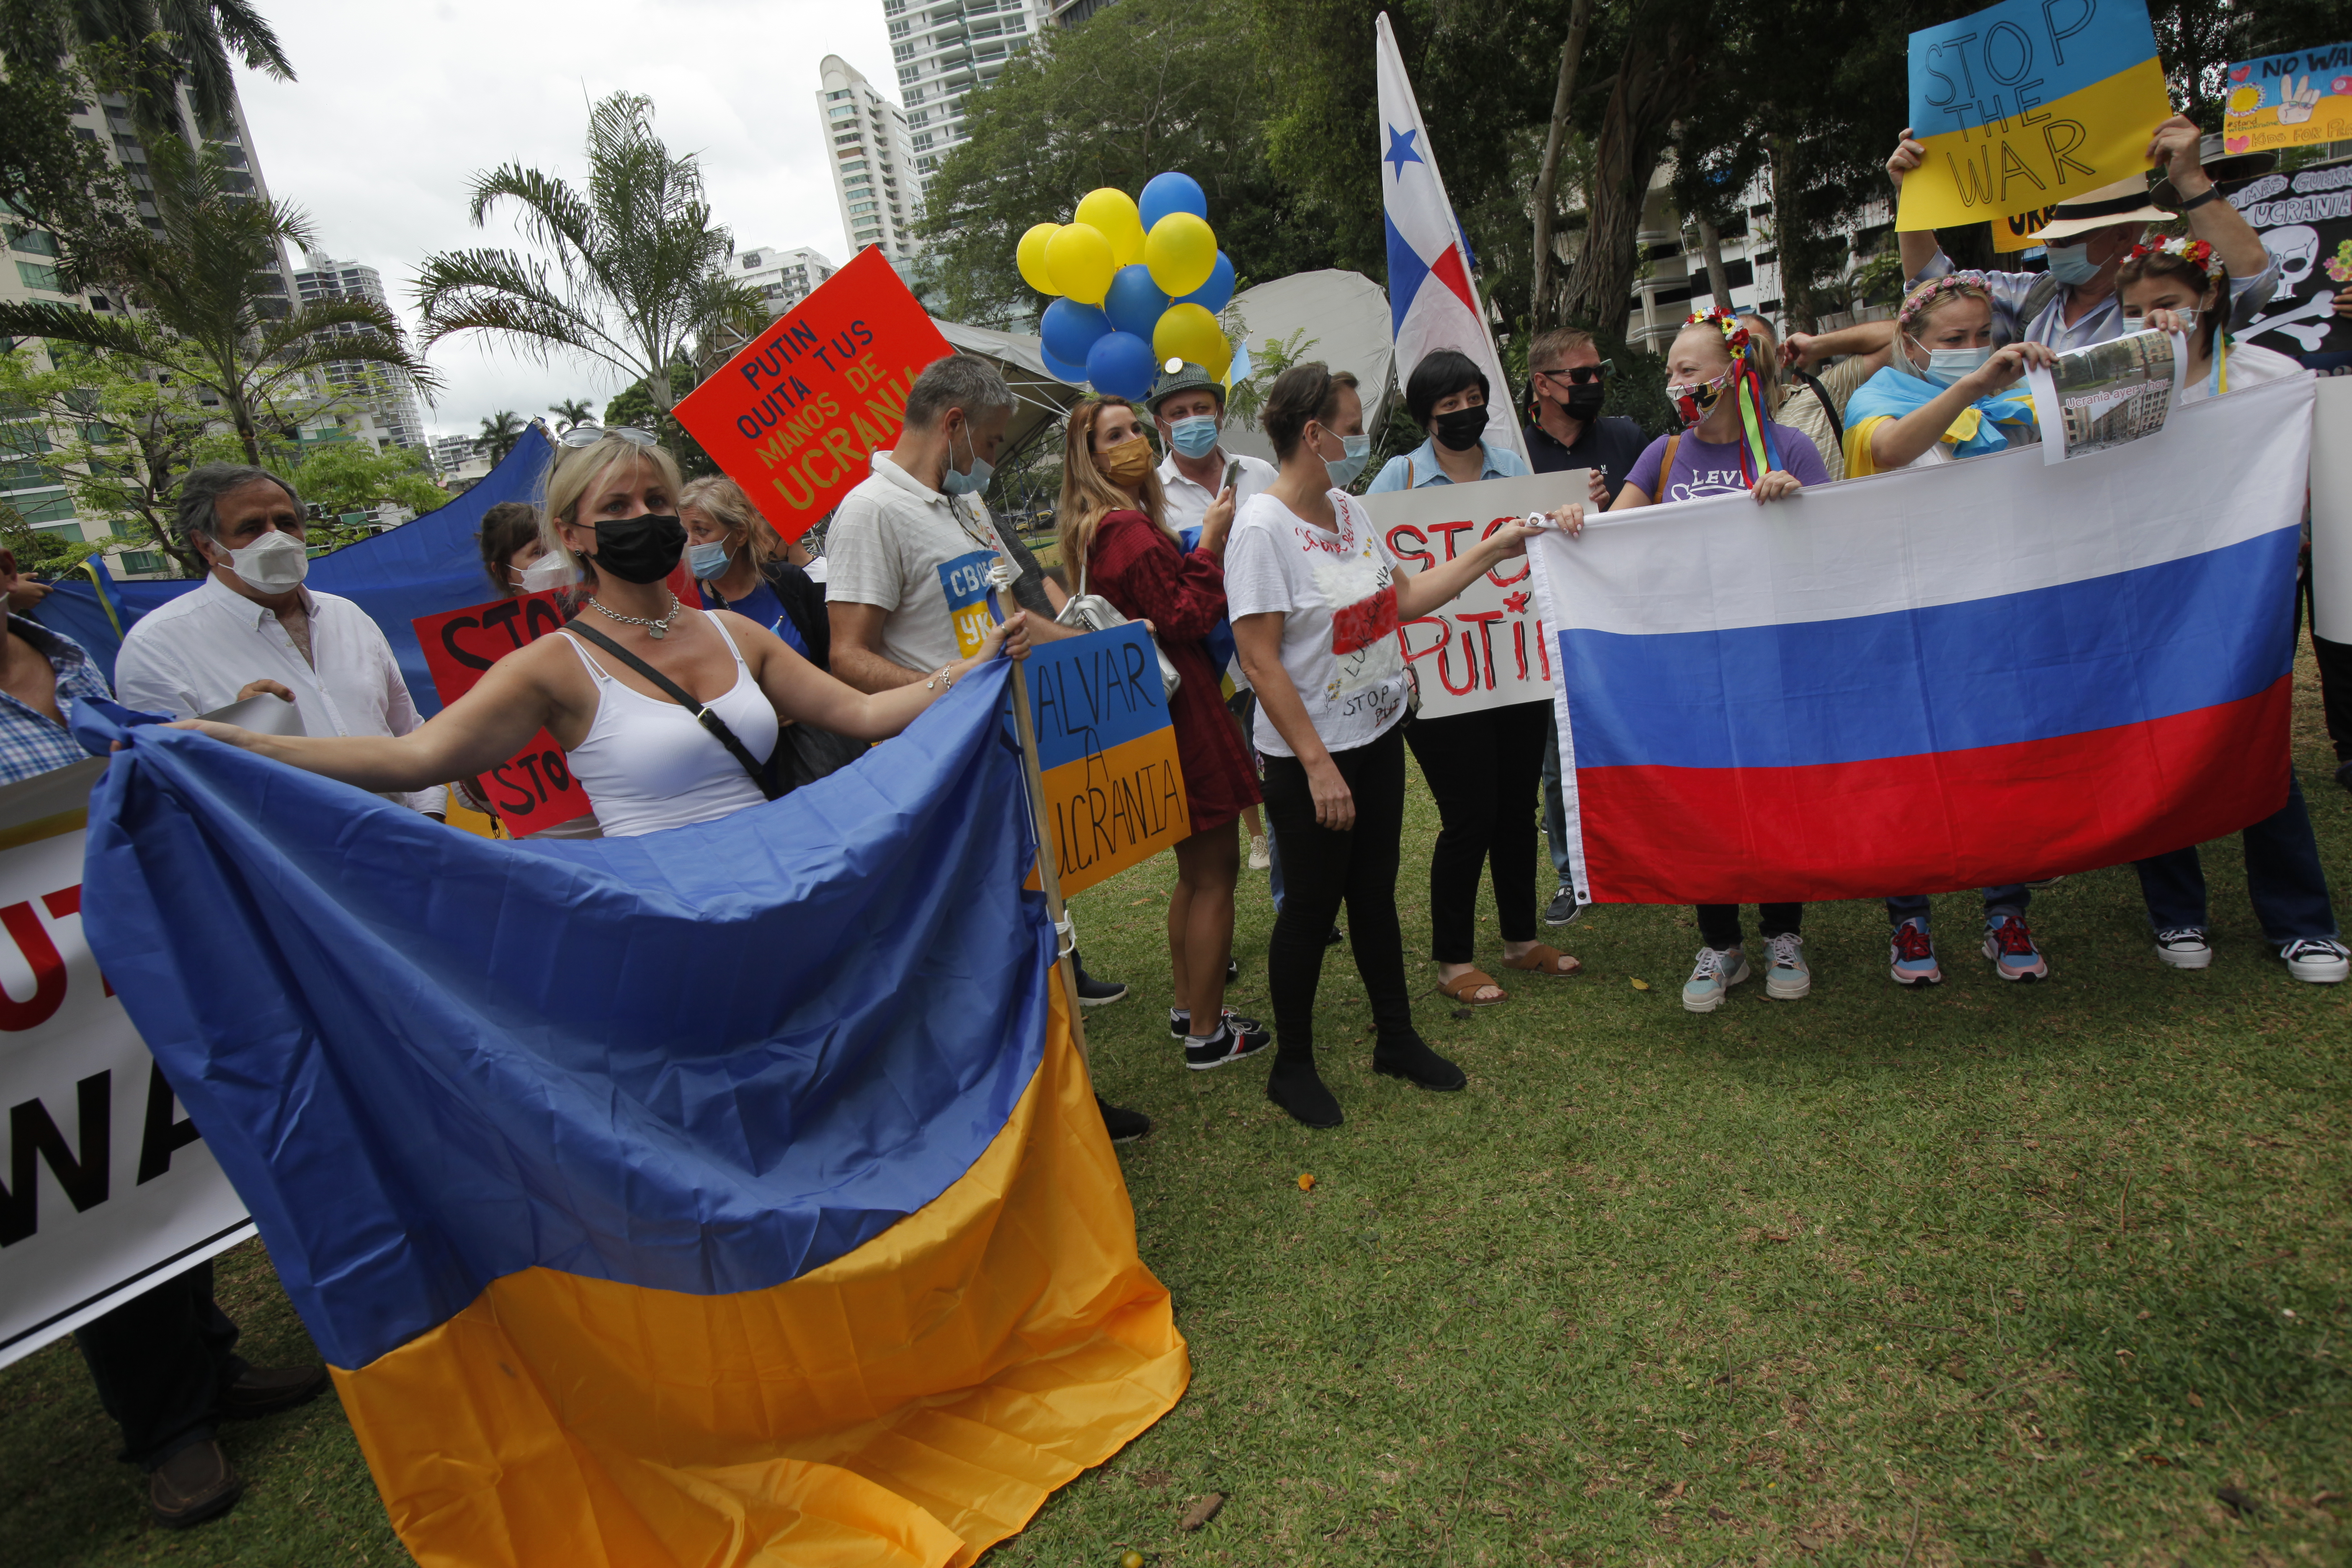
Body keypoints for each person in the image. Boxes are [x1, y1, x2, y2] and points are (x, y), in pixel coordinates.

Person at [0, 547, 330, 1528]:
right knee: (96, 1188)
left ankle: (211, 1357)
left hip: (136, 956)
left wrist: (236, 718)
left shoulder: (65, 657)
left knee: (171, 1159)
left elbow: (130, 758)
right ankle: (166, 1425)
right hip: (38, 997)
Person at [1225, 362, 1556, 1128]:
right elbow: (1259, 659)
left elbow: (1400, 598)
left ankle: (1397, 1038)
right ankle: (1293, 1064)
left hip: (1377, 732)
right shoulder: (1261, 528)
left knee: (1373, 894)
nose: (1362, 438)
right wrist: (1316, 765)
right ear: (1313, 434)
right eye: (1351, 425)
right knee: (1310, 906)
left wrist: (1493, 549)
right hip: (1312, 758)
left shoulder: (1347, 508)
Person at [822, 355, 1135, 1026]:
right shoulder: (870, 512)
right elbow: (847, 656)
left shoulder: (965, 503)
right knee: (986, 928)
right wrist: (953, 688)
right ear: (954, 424)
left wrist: (1108, 647)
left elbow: (1006, 620)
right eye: (991, 442)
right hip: (944, 761)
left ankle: (1061, 1078)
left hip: (1008, 746)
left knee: (1032, 906)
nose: (993, 457)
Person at [1555, 310, 1829, 1012]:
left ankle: (1782, 932)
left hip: (1772, 666)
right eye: (1670, 369)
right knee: (1704, 797)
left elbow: (1837, 554)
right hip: (1686, 669)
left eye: (1686, 369)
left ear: (1732, 372)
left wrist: (1800, 506)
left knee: (1773, 794)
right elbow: (1614, 540)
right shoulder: (1664, 453)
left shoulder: (1792, 450)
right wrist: (1574, 524)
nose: (1673, 381)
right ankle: (1721, 942)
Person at [2114, 237, 2347, 984]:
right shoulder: (2112, 376)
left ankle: (2302, 921)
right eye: (2133, 312)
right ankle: (2176, 911)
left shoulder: (2266, 375)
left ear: (2209, 297)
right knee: (2156, 746)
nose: (2152, 322)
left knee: (2253, 739)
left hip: (2247, 592)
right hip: (2145, 592)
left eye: (2167, 305)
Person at [1835, 276, 2061, 985]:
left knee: (2000, 763)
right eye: (1951, 340)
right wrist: (1971, 387)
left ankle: (2006, 913)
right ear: (1909, 346)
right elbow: (1895, 449)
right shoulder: (1879, 399)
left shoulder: (2025, 392)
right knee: (1911, 768)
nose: (1971, 351)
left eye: (1980, 336)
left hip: (1998, 611)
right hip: (1907, 617)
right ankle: (1910, 918)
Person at [1057, 397, 1268, 1068]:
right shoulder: (1125, 529)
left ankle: (1188, 1005)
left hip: (1154, 708)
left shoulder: (1094, 529)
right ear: (1088, 458)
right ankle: (1208, 1032)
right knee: (1216, 874)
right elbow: (1183, 615)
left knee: (1194, 872)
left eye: (1135, 431)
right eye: (1113, 436)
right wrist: (1209, 543)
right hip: (1182, 707)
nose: (1134, 443)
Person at [1364, 350, 1579, 1004]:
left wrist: (1570, 513)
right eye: (1447, 406)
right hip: (1437, 673)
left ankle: (1520, 941)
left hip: (1513, 665)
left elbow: (1548, 545)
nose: (1463, 414)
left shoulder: (1514, 470)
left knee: (1515, 810)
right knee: (1469, 815)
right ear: (1425, 415)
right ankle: (1454, 961)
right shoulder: (1396, 480)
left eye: (1472, 400)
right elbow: (1372, 570)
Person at [114, 464, 446, 820]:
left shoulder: (348, 616)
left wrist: (430, 818)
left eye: (287, 523)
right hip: (291, 864)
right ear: (206, 546)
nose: (276, 538)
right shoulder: (157, 647)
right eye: (252, 529)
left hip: (410, 839)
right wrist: (244, 728)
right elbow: (174, 789)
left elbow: (407, 731)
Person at [1885, 115, 2275, 351]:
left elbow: (2253, 281)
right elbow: (1931, 288)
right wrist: (1912, 194)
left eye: (2068, 239)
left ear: (2123, 236)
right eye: (2051, 238)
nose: (2054, 249)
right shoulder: (2032, 298)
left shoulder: (2172, 298)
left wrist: (2192, 180)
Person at [1520, 328, 1649, 926]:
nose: (1594, 383)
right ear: (1542, 385)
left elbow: (1660, 517)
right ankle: (1573, 875)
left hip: (1630, 621)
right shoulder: (1514, 456)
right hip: (1554, 632)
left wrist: (1613, 505)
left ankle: (1651, 854)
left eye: (1600, 372)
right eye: (1580, 376)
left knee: (1642, 741)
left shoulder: (1625, 437)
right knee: (1558, 759)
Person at [1148, 358, 1275, 873]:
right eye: (1178, 412)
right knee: (1231, 761)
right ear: (1160, 423)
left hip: (1270, 637)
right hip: (1207, 657)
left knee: (1280, 762)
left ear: (1220, 412)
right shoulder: (1151, 496)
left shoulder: (1260, 473)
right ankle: (1252, 842)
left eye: (1201, 407)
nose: (1191, 419)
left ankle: (1290, 895)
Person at [678, 475, 830, 668]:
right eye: (685, 532)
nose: (690, 542)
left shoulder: (790, 582)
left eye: (701, 530)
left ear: (740, 534)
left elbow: (829, 659)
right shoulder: (687, 604)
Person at [1775, 319, 1896, 483]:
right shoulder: (1729, 430)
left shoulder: (1824, 393)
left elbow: (1900, 339)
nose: (1748, 360)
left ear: (1779, 355)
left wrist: (1816, 345)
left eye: (1755, 347)